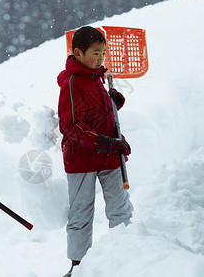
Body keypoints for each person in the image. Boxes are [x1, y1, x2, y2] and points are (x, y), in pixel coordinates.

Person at [57, 26, 134, 276]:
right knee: (81, 212)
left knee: (120, 206)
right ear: (78, 53)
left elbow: (92, 113)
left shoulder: (97, 77)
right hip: (81, 159)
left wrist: (113, 105)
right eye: (95, 53)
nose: (100, 58)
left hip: (108, 152)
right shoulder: (72, 82)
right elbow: (71, 124)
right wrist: (106, 142)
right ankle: (78, 266)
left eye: (103, 53)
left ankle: (124, 256)